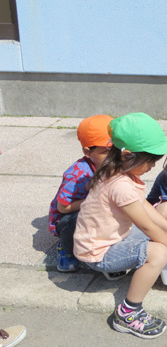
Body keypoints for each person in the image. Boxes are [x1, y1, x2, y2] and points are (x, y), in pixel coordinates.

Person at [73, 112, 167, 339]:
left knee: (161, 232)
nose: (152, 165)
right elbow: (148, 227)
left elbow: (145, 207)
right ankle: (128, 312)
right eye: (149, 160)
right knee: (159, 252)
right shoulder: (120, 185)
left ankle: (122, 267)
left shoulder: (118, 171)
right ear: (127, 155)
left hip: (105, 239)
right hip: (98, 253)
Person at [48, 114, 113, 272]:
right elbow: (63, 207)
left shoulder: (109, 165)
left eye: (115, 151)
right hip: (69, 217)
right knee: (77, 220)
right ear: (87, 151)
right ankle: (66, 247)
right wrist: (94, 201)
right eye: (106, 152)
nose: (112, 157)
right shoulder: (78, 175)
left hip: (95, 212)